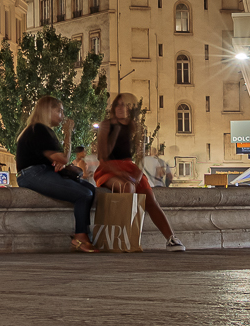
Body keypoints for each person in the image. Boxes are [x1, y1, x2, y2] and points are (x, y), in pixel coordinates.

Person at [93, 93, 184, 249]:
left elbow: (141, 156)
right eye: (118, 104)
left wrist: (138, 174)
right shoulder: (106, 125)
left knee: (150, 199)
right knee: (127, 187)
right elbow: (103, 155)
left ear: (131, 108)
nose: (121, 108)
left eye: (125, 105)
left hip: (130, 168)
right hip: (108, 168)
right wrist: (115, 131)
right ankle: (125, 238)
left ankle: (171, 238)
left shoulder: (136, 127)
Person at [16, 97, 99, 253]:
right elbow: (64, 158)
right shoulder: (39, 129)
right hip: (32, 173)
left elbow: (55, 158)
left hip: (40, 170)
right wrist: (68, 133)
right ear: (47, 111)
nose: (62, 115)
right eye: (59, 110)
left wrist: (59, 161)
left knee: (90, 188)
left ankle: (85, 234)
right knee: (84, 193)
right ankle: (80, 237)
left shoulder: (39, 130)